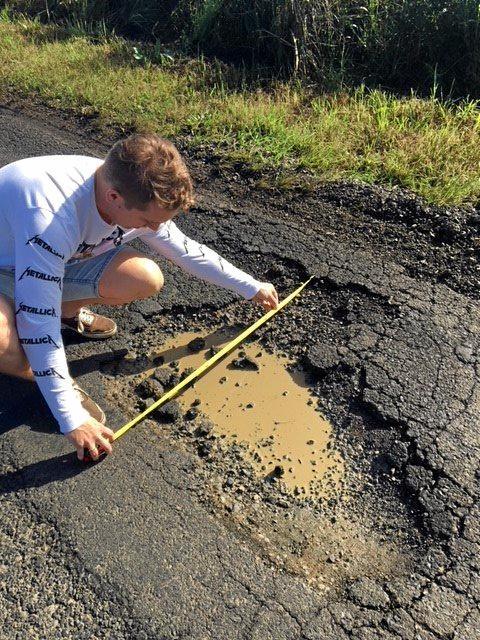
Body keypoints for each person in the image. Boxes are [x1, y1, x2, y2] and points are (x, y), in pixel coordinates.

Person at [0, 133, 278, 461]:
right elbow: (37, 323)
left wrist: (250, 286)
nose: (157, 229)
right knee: (7, 343)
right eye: (148, 222)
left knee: (144, 277)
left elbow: (188, 252)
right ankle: (43, 377)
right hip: (9, 262)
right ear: (115, 198)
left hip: (46, 260)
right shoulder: (50, 219)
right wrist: (71, 417)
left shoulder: (130, 189)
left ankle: (65, 312)